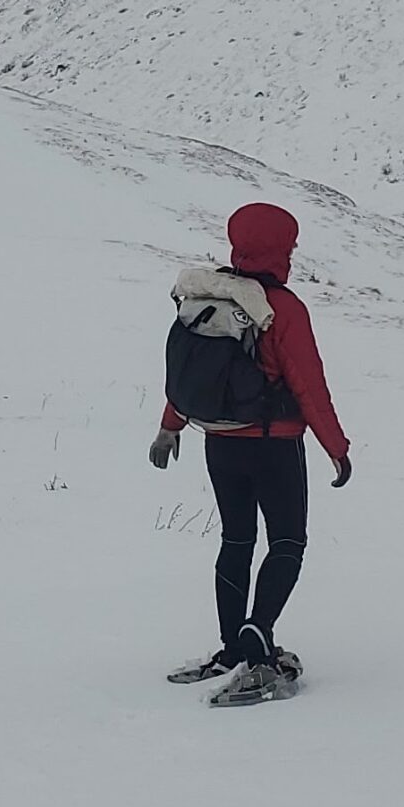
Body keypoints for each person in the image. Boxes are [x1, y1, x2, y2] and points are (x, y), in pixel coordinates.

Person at [149, 203, 352, 706]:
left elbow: (191, 374)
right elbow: (308, 384)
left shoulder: (210, 297)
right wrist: (337, 448)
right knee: (287, 541)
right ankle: (259, 646)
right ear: (281, 247)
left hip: (219, 442)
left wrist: (168, 428)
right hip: (275, 444)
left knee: (236, 541)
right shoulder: (282, 308)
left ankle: (229, 648)